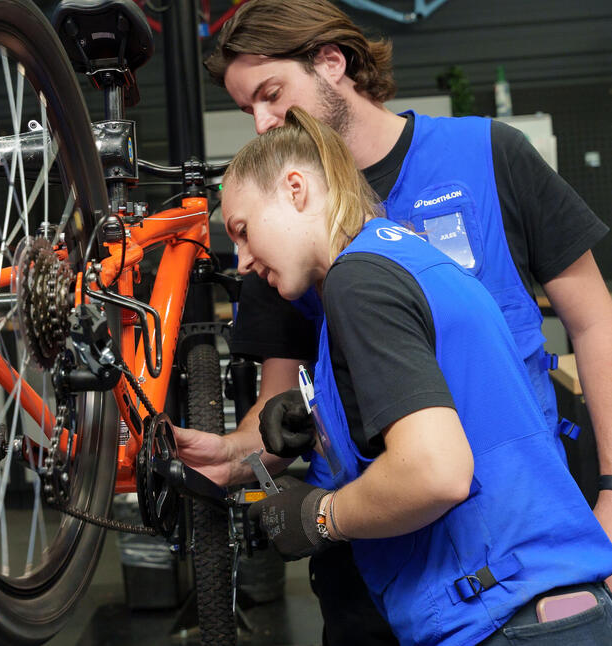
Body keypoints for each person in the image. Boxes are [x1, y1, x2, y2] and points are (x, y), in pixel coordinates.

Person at [175, 0, 612, 642]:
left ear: (332, 62)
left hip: (510, 549)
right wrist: (238, 455)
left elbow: (596, 324)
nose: (264, 124)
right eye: (249, 111)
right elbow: (280, 413)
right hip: (380, 567)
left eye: (272, 95)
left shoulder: (487, 155)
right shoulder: (283, 243)